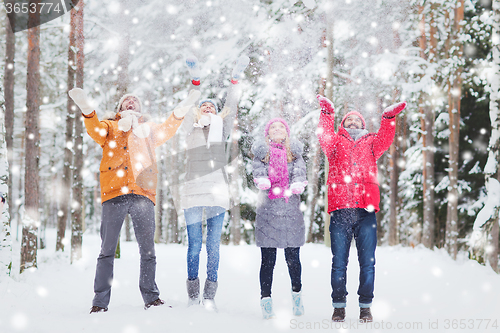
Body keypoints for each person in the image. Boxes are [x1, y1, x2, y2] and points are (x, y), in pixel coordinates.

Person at [68, 87, 200, 313]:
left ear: (140, 108)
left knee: (148, 250)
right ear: (119, 108)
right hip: (114, 193)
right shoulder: (110, 127)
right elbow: (95, 130)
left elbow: (169, 129)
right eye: (126, 101)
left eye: (135, 101)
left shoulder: (149, 130)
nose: (131, 102)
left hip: (142, 193)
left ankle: (151, 297)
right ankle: (100, 302)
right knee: (107, 250)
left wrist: (182, 109)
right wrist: (88, 110)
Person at [316, 94, 406, 323]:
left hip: (366, 211)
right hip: (340, 209)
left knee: (367, 263)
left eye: (357, 120)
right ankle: (339, 306)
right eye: (349, 120)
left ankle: (365, 307)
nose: (353, 122)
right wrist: (326, 113)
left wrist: (388, 117)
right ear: (342, 124)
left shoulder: (372, 143)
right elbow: (324, 136)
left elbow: (386, 138)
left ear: (363, 125)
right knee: (339, 263)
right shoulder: (335, 143)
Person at [181, 55, 249, 310]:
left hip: (217, 196)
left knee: (213, 248)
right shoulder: (191, 128)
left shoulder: (223, 129)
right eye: (204, 107)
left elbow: (232, 102)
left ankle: (209, 295)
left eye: (212, 107)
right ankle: (192, 292)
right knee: (194, 246)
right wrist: (195, 81)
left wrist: (235, 78)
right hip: (192, 195)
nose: (208, 109)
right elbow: (190, 104)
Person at [251, 118, 308, 319]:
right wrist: (261, 179)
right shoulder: (261, 155)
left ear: (287, 132)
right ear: (267, 134)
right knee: (268, 261)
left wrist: (298, 184)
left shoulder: (296, 155)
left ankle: (297, 297)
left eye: (280, 126)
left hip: (290, 210)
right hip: (268, 212)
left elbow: (300, 173)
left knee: (293, 259)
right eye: (273, 127)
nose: (277, 129)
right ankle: (266, 300)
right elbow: (257, 171)